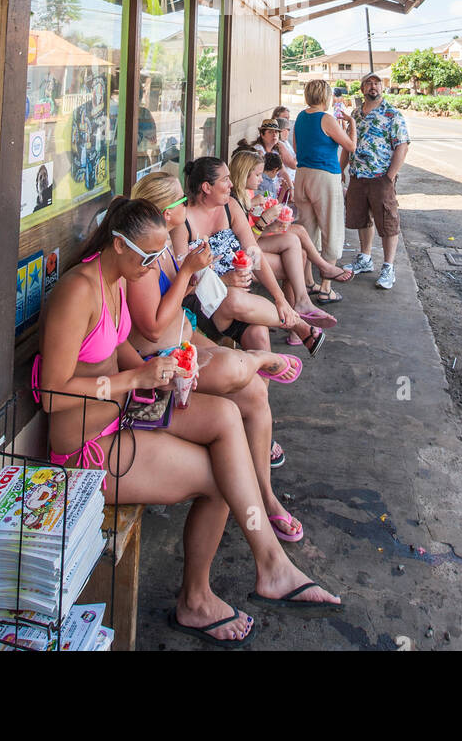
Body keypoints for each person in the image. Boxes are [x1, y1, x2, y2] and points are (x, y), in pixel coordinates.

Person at [33, 195, 341, 642]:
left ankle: (271, 564)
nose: (154, 264)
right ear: (118, 245)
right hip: (86, 446)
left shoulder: (116, 277)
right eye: (148, 256)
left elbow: (115, 348)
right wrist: (134, 377)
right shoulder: (78, 290)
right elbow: (50, 395)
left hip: (121, 411)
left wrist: (162, 368)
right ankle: (198, 599)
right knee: (221, 479)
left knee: (224, 416)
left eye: (160, 254)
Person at [129, 172, 306, 540]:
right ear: (166, 212)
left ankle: (268, 498)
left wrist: (193, 276)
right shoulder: (141, 256)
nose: (185, 204)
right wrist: (189, 274)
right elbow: (151, 326)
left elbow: (178, 303)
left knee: (256, 392)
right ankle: (264, 354)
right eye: (179, 201)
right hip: (161, 366)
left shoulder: (163, 244)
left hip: (186, 338)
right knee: (234, 366)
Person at [171, 157, 327, 357]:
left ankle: (261, 388)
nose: (232, 184)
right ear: (206, 187)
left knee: (259, 334)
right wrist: (224, 280)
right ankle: (298, 324)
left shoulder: (230, 206)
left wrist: (280, 299)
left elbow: (255, 253)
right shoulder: (182, 221)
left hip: (240, 297)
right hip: (203, 303)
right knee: (234, 298)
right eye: (225, 180)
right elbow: (182, 283)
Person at [228, 149, 347, 323]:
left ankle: (303, 301)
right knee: (297, 257)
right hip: (241, 254)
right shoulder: (234, 200)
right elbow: (247, 243)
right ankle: (298, 313)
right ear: (244, 173)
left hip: (252, 244)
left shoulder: (245, 194)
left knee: (295, 240)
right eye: (258, 175)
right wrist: (264, 221)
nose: (261, 179)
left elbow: (251, 233)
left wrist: (271, 224)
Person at [293, 79, 357, 305]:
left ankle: (308, 281)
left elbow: (297, 148)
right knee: (332, 227)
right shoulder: (326, 118)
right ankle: (326, 287)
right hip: (324, 177)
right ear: (325, 96)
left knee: (307, 230)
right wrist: (352, 125)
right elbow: (351, 146)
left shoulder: (300, 117)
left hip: (302, 175)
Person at [346, 72, 410, 291]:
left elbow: (402, 145)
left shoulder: (392, 114)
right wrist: (340, 170)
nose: (372, 87)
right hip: (358, 176)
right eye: (368, 84)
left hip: (381, 177)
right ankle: (365, 258)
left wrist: (390, 176)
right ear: (362, 89)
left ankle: (388, 267)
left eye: (376, 83)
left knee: (388, 222)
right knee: (361, 219)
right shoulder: (355, 114)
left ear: (382, 88)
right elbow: (348, 143)